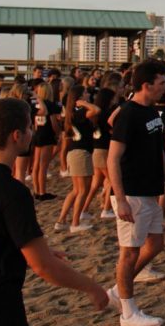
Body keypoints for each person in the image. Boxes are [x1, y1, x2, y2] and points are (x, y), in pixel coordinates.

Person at [0, 98, 108, 324]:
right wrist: (92, 287)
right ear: (17, 135)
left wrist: (27, 251)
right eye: (28, 127)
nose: (31, 132)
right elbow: (43, 266)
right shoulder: (12, 191)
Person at [106, 59, 165, 326]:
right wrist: (120, 199)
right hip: (132, 192)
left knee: (156, 244)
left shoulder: (151, 112)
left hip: (150, 190)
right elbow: (113, 158)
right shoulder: (128, 113)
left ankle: (117, 290)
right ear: (146, 85)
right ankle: (128, 312)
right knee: (129, 253)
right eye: (161, 83)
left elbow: (160, 150)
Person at [54, 85, 100, 233]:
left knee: (75, 190)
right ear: (79, 97)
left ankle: (61, 220)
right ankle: (75, 222)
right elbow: (96, 110)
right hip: (81, 153)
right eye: (85, 93)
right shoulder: (79, 112)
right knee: (82, 190)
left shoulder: (71, 114)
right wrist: (84, 103)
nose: (88, 94)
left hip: (75, 153)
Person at [83, 72, 122, 219]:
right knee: (113, 179)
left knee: (96, 183)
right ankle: (106, 208)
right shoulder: (107, 113)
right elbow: (111, 129)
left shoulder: (97, 113)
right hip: (104, 150)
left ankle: (84, 209)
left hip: (96, 150)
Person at [31, 81, 61, 201]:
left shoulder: (35, 105)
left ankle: (36, 190)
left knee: (36, 164)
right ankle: (42, 192)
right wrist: (57, 133)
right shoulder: (50, 105)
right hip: (47, 135)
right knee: (43, 165)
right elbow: (53, 122)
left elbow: (34, 123)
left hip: (38, 134)